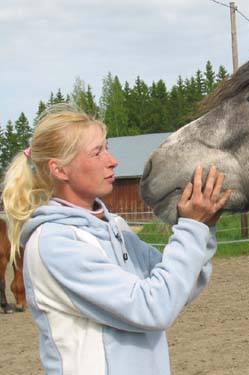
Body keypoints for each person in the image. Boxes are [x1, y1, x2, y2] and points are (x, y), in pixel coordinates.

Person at [2, 104, 231, 375]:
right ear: (60, 170)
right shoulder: (55, 244)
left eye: (107, 148)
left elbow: (177, 291)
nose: (112, 161)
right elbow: (154, 308)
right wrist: (192, 227)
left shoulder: (116, 229)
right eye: (97, 152)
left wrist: (203, 230)